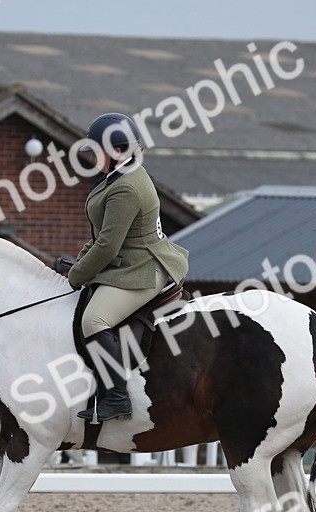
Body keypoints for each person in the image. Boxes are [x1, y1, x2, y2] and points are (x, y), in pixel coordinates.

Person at [65, 112, 189, 422]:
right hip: (129, 260)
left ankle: (117, 397)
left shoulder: (127, 187)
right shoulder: (120, 175)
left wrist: (76, 276)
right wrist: (79, 263)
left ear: (116, 149)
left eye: (96, 150)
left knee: (94, 321)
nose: (91, 156)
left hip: (144, 268)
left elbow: (107, 245)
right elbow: (101, 236)